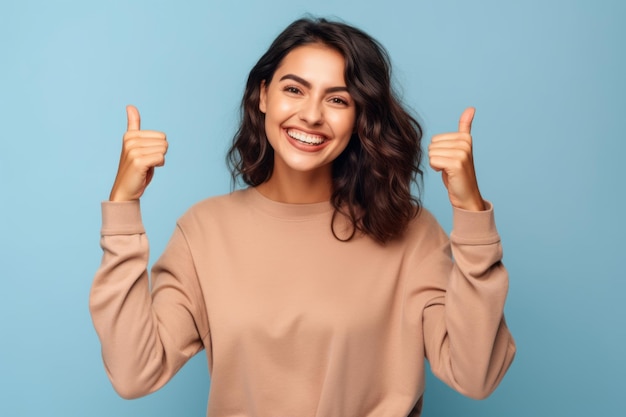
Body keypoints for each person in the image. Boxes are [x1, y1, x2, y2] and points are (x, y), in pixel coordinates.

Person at [90, 17, 515, 417]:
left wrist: (470, 212)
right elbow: (134, 373)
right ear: (263, 95)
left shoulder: (410, 233)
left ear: (359, 117)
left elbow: (475, 374)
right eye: (294, 89)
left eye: (337, 99)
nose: (312, 114)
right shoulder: (204, 231)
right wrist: (123, 208)